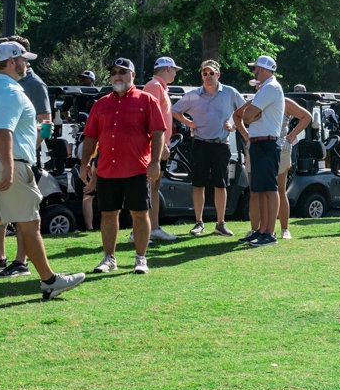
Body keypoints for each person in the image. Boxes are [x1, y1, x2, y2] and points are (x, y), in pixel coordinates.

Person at [0, 41, 87, 303]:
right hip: (6, 165)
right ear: (11, 62)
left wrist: (33, 133)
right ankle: (50, 281)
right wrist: (9, 167)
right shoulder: (11, 91)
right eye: (23, 59)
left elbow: (8, 129)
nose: (27, 64)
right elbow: (3, 131)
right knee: (30, 223)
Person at [0, 33, 58, 278]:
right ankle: (0, 257)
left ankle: (21, 261)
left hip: (22, 159)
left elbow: (47, 124)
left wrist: (28, 151)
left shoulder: (35, 84)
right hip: (2, 158)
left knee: (26, 215)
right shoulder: (3, 81)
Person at [80, 58, 168, 272]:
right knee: (108, 214)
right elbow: (90, 136)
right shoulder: (100, 104)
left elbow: (158, 133)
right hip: (107, 169)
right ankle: (109, 258)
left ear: (133, 75)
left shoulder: (147, 100)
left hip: (137, 169)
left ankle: (141, 259)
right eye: (114, 72)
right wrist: (85, 163)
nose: (117, 76)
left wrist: (155, 162)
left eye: (122, 71)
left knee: (140, 214)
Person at [172, 60, 243, 236]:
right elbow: (174, 110)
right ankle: (199, 222)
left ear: (218, 74)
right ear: (202, 76)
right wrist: (188, 122)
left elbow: (245, 111)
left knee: (221, 184)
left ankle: (220, 224)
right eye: (205, 73)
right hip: (200, 144)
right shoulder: (194, 95)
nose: (208, 76)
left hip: (221, 144)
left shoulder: (230, 92)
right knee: (198, 184)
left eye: (211, 73)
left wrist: (234, 125)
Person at [236, 56, 287, 245]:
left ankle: (269, 232)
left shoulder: (270, 87)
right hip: (260, 143)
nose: (254, 71)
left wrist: (253, 116)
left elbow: (247, 115)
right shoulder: (266, 88)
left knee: (269, 189)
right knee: (262, 189)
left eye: (255, 68)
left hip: (267, 143)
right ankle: (262, 230)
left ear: (263, 69)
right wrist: (253, 115)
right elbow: (247, 116)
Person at [142, 57, 181, 243]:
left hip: (160, 146)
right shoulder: (154, 86)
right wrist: (161, 144)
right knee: (147, 187)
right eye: (174, 70)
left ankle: (154, 228)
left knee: (154, 186)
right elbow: (148, 117)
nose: (175, 73)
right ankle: (139, 230)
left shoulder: (161, 87)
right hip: (154, 146)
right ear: (167, 69)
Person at [272, 92, 313, 239]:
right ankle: (265, 229)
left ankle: (284, 229)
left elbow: (307, 117)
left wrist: (292, 135)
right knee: (265, 191)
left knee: (280, 189)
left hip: (282, 148)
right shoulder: (259, 100)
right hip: (263, 148)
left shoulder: (285, 102)